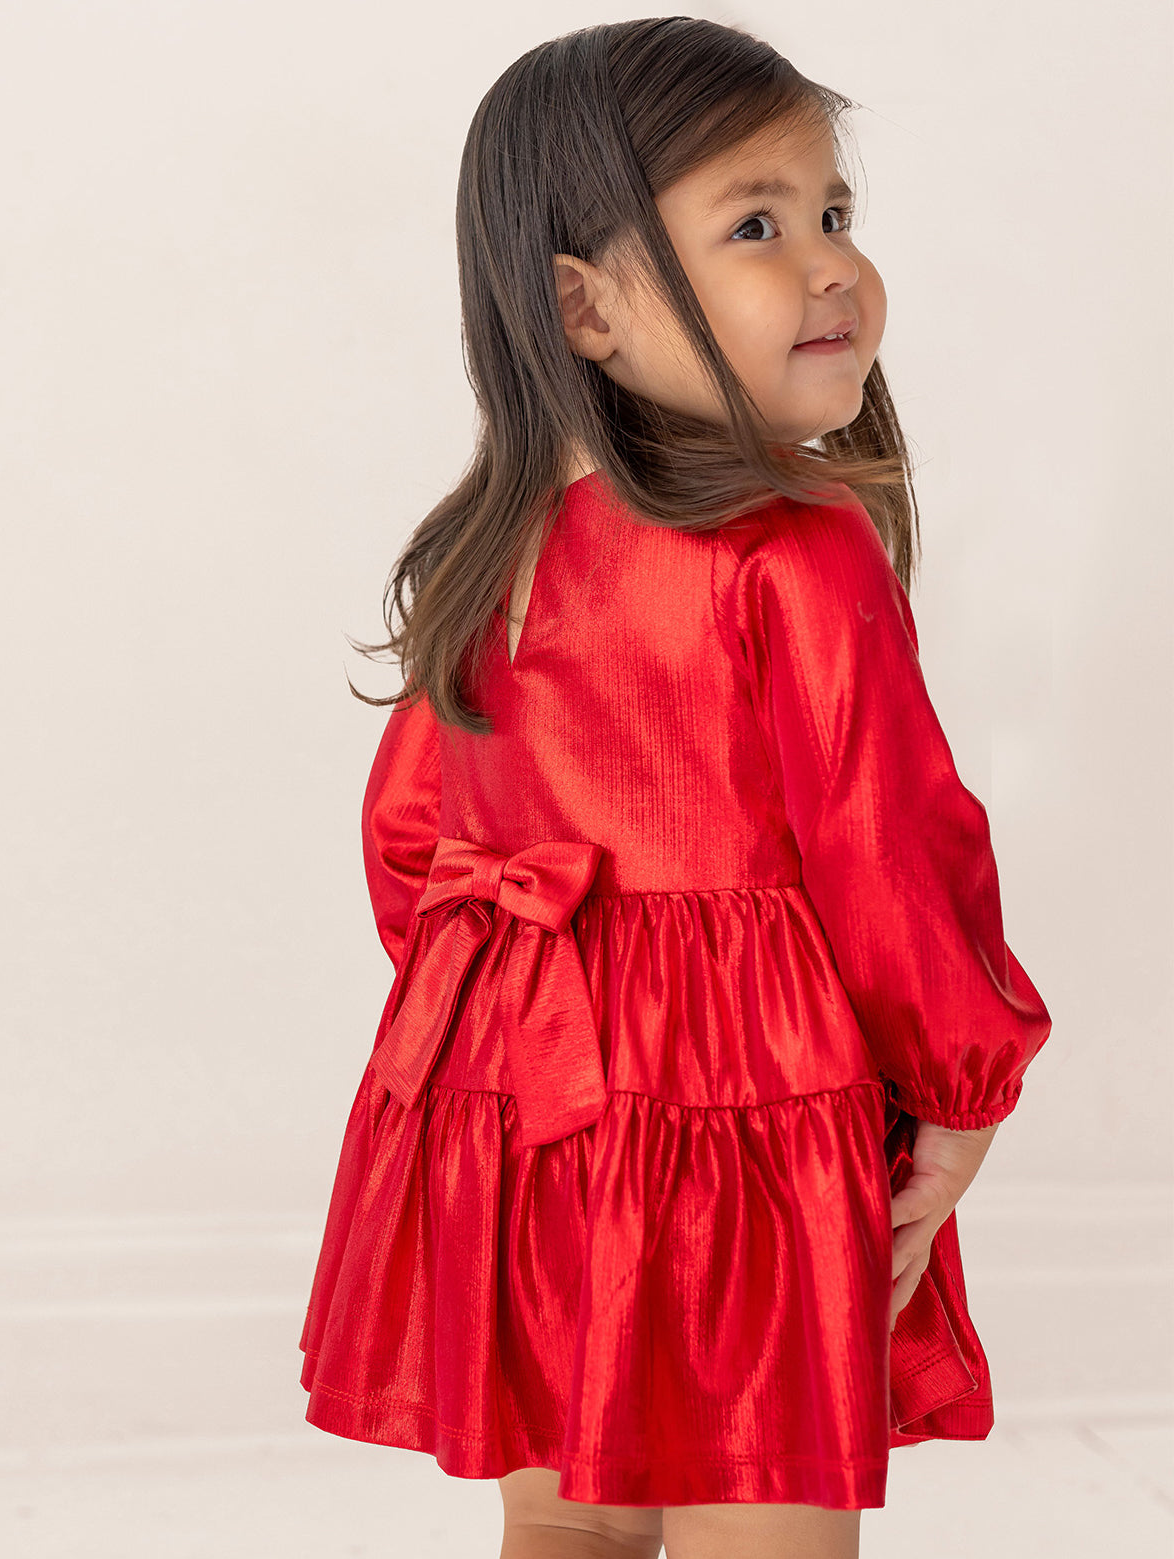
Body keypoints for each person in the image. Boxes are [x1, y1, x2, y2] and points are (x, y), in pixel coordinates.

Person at [297, 18, 1053, 1559]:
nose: (830, 264)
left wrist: (515, 1042)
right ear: (582, 306)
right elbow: (890, 846)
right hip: (742, 1128)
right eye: (757, 226)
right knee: (758, 1519)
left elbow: (414, 849)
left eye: (835, 214)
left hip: (531, 1120)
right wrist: (962, 1085)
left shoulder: (484, 552)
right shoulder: (795, 547)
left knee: (570, 1527)